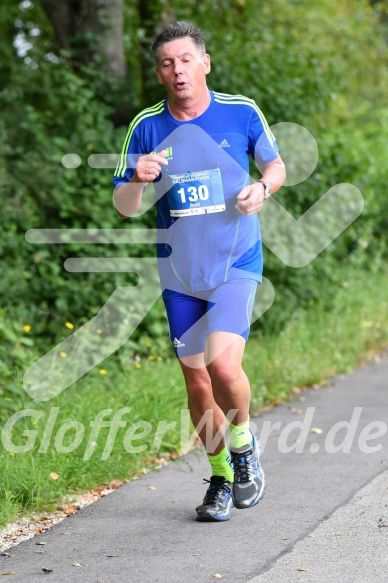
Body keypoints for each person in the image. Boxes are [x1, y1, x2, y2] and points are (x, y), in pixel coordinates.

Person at [113, 21, 286, 522]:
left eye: (185, 59)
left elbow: (275, 167)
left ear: (204, 63)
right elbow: (124, 207)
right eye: (167, 63)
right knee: (196, 384)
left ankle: (243, 445)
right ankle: (220, 479)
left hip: (235, 262)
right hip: (180, 274)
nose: (177, 70)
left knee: (223, 366)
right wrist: (137, 180)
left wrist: (263, 189)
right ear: (160, 73)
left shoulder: (241, 112)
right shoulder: (146, 126)